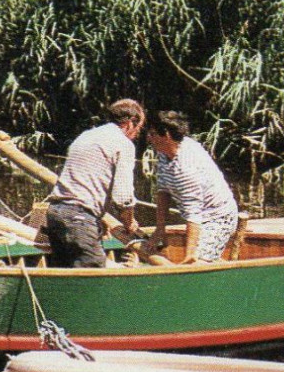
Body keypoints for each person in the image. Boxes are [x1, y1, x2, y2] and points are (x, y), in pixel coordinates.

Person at [43, 99, 145, 267]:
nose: (137, 135)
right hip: (78, 217)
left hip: (55, 214)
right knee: (95, 272)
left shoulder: (86, 136)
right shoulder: (123, 144)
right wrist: (129, 223)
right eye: (139, 129)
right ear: (130, 123)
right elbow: (123, 197)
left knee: (67, 273)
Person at [142, 109, 238, 264]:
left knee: (198, 261)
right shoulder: (164, 152)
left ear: (166, 135)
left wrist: (191, 254)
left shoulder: (186, 166)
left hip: (218, 218)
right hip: (198, 216)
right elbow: (163, 191)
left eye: (152, 134)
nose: (148, 138)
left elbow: (193, 213)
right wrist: (159, 229)